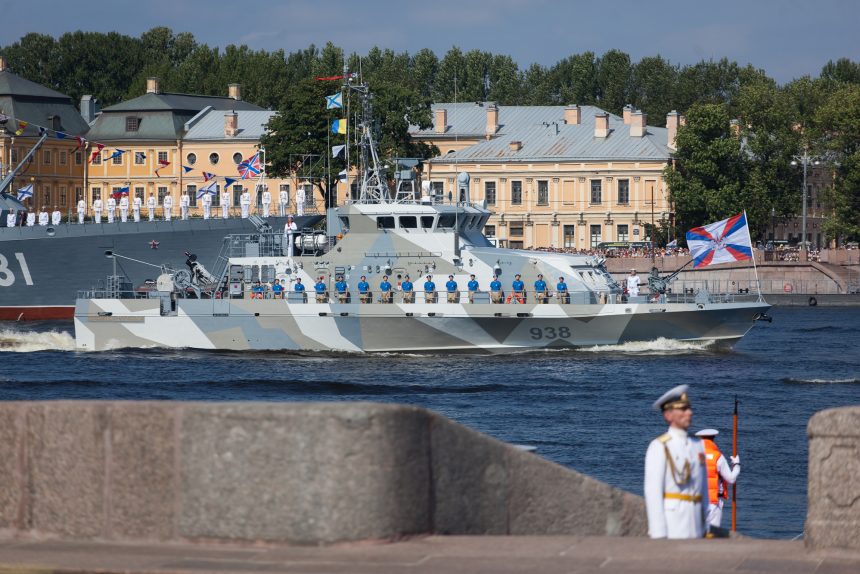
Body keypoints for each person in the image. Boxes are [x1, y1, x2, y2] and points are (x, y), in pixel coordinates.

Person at [644, 384, 708, 539]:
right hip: (673, 525)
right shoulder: (659, 446)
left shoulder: (697, 445)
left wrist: (706, 525)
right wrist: (659, 533)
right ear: (668, 415)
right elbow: (653, 492)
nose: (689, 413)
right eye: (683, 409)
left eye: (689, 408)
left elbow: (703, 490)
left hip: (696, 525)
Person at [695, 429, 740, 530]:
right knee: (712, 534)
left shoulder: (692, 454)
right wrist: (737, 465)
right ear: (713, 439)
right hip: (713, 502)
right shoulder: (717, 457)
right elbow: (731, 479)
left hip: (695, 501)